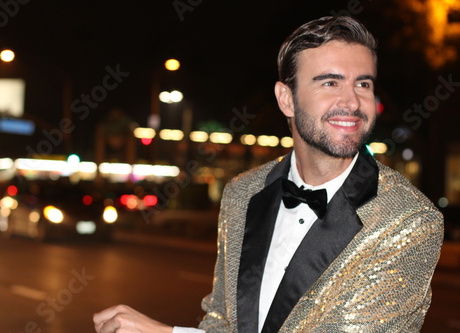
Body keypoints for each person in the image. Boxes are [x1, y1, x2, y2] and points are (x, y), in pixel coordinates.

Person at [93, 15, 444, 333]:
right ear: (286, 99)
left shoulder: (409, 219)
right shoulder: (242, 193)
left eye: (363, 84)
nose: (352, 102)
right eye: (330, 83)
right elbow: (221, 321)